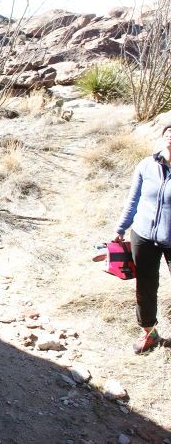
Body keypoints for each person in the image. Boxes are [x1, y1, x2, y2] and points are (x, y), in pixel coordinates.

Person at [114, 123, 171, 354]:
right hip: (144, 236)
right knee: (145, 287)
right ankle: (149, 333)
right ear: (163, 137)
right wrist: (120, 228)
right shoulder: (146, 166)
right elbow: (133, 200)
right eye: (168, 133)